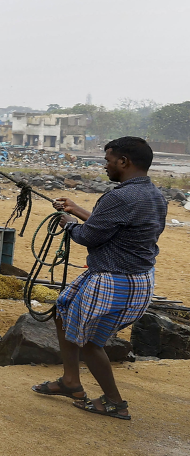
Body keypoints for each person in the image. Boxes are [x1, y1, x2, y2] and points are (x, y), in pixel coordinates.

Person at [33, 137, 166, 420]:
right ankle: (71, 382)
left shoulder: (118, 197)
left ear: (123, 162)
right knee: (63, 310)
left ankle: (115, 403)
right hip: (134, 277)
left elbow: (89, 235)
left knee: (91, 343)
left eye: (107, 160)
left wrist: (70, 226)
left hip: (113, 279)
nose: (105, 166)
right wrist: (77, 210)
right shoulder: (154, 195)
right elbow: (114, 226)